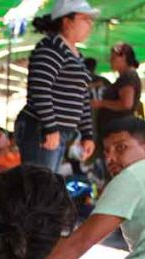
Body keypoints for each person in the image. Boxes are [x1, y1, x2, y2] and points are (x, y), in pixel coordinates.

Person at [28, 116, 145, 259]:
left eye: (121, 148)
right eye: (107, 151)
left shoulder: (134, 175)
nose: (110, 158)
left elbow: (80, 242)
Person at [15, 0, 98, 172]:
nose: (90, 25)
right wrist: (50, 127)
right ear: (67, 21)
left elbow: (82, 96)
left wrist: (87, 134)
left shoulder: (76, 55)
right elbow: (40, 89)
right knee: (39, 188)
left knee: (45, 186)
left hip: (59, 132)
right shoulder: (51, 48)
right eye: (85, 19)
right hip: (42, 130)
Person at [92, 43, 142, 134]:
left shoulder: (128, 76)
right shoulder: (126, 76)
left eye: (113, 58)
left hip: (118, 130)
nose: (110, 61)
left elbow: (126, 104)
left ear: (123, 57)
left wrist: (101, 103)